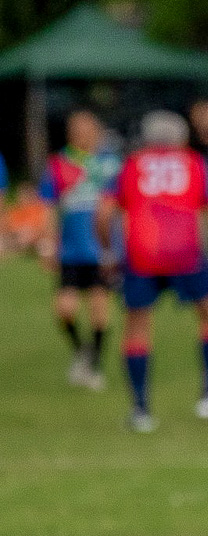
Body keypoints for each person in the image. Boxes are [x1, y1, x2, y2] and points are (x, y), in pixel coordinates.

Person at [97, 111, 208, 433]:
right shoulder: (195, 163)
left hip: (141, 253)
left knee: (137, 326)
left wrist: (107, 252)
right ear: (182, 138)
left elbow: (104, 213)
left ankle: (141, 409)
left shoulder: (130, 165)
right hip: (187, 252)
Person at [39, 109, 122, 390]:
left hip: (102, 251)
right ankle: (81, 350)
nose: (81, 133)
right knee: (65, 309)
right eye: (76, 128)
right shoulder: (59, 164)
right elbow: (48, 207)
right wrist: (48, 244)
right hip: (71, 250)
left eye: (87, 128)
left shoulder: (111, 165)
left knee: (99, 310)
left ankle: (94, 367)